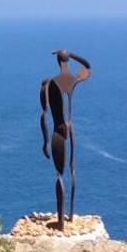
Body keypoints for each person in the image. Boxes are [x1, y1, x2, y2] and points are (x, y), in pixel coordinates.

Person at [39, 49, 92, 229]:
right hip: (71, 130)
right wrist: (73, 54)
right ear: (67, 61)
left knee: (60, 174)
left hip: (58, 132)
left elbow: (44, 115)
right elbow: (87, 67)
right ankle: (70, 214)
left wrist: (45, 141)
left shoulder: (50, 83)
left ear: (57, 62)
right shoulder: (72, 80)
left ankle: (60, 222)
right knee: (73, 170)